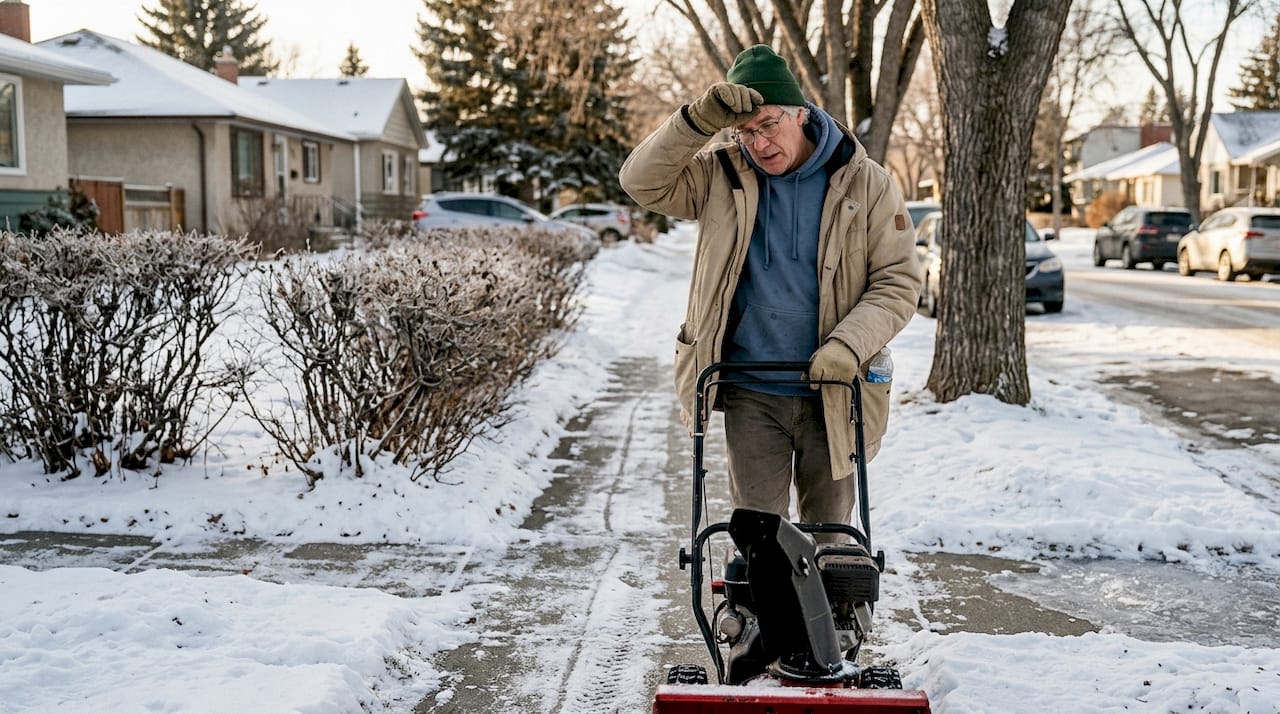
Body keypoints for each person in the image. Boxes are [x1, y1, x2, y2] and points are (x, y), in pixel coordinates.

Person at [618, 45, 921, 527]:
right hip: (751, 389)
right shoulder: (719, 174)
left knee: (830, 536)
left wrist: (848, 344)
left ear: (800, 114)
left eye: (768, 125)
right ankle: (755, 606)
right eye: (744, 131)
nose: (758, 143)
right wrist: (696, 121)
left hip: (834, 389)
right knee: (760, 538)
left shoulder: (866, 183)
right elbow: (641, 183)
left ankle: (830, 605)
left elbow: (899, 280)